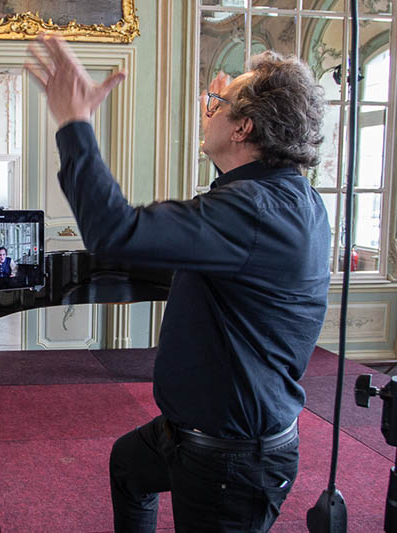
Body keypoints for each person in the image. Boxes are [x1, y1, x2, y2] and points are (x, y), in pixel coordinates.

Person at [26, 35, 329, 531]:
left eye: (217, 106)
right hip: (202, 430)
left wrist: (74, 123)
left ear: (245, 127)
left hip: (232, 457)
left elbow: (113, 232)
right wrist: (224, 109)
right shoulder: (286, 199)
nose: (206, 111)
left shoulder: (252, 212)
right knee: (128, 465)